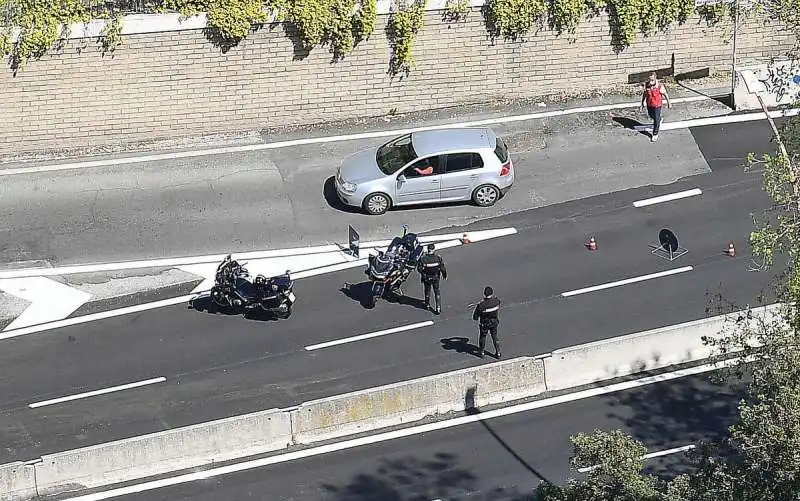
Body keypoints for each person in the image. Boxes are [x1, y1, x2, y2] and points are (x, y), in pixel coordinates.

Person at [641, 72, 671, 143]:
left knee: (656, 119)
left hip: (657, 105)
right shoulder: (647, 85)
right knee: (651, 116)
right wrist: (643, 102)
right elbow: (645, 94)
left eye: (652, 80)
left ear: (655, 78)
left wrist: (669, 103)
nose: (650, 82)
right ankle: (659, 120)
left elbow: (665, 94)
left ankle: (655, 134)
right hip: (650, 104)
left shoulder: (660, 86)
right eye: (649, 80)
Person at [417, 243, 447, 314]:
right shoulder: (438, 258)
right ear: (434, 249)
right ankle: (438, 307)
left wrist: (423, 273)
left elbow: (419, 269)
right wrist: (444, 275)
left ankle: (427, 304)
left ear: (427, 250)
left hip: (426, 277)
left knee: (427, 291)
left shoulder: (423, 259)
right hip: (435, 277)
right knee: (437, 291)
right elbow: (442, 268)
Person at [472, 286, 501, 359]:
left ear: (484, 294)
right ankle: (498, 352)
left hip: (485, 323)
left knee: (483, 336)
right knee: (494, 336)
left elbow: (475, 316)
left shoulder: (481, 305)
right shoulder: (496, 302)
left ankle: (481, 352)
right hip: (494, 322)